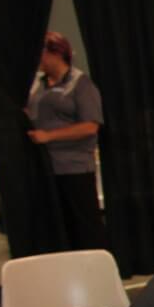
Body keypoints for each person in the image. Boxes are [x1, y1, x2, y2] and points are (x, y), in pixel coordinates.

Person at [26, 31, 106, 249]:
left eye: (41, 53)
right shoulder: (37, 85)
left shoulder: (80, 84)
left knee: (84, 225)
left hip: (74, 168)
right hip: (46, 169)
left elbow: (90, 126)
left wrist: (49, 136)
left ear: (56, 53)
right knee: (58, 227)